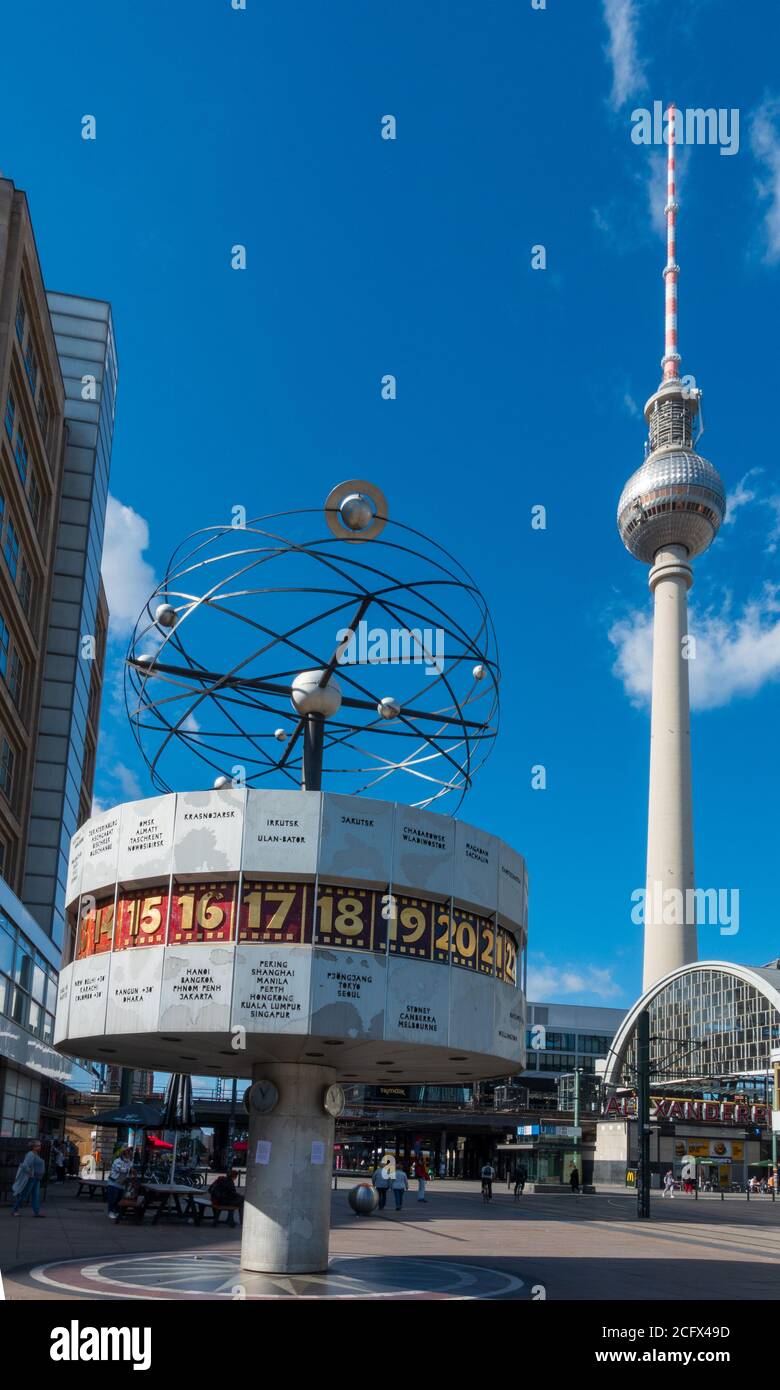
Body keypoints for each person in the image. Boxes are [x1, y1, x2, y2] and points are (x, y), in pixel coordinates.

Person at [11, 1140, 46, 1217]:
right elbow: (25, 1165)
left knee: (36, 1195)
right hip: (32, 1179)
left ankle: (36, 1212)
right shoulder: (30, 1154)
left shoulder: (35, 1154)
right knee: (24, 1194)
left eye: (40, 1145)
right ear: (33, 1147)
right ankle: (14, 1210)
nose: (39, 1147)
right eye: (38, 1146)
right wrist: (30, 1173)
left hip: (37, 1179)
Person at [106, 1146, 133, 1221]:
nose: (128, 1154)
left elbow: (129, 1173)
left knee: (119, 1199)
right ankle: (110, 1212)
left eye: (129, 1153)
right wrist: (129, 1170)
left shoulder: (130, 1162)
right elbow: (121, 1169)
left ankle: (117, 1212)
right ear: (123, 1154)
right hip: (113, 1182)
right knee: (113, 1198)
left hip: (122, 1183)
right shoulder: (117, 1161)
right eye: (127, 1153)